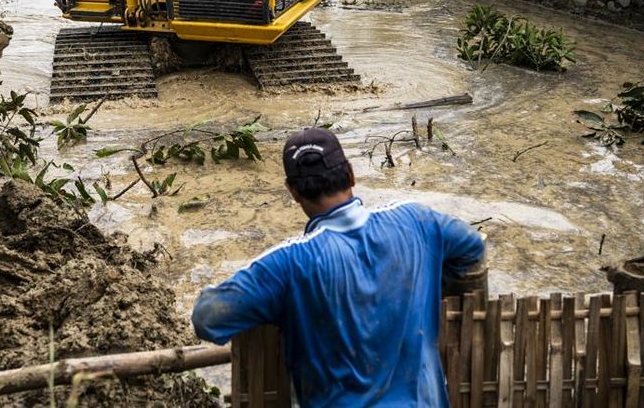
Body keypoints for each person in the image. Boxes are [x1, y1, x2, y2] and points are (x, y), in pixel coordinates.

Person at [191, 127, 485, 407]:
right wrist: (429, 285)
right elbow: (473, 248)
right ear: (351, 173)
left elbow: (207, 317)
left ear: (293, 192)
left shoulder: (287, 264)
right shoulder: (417, 221)